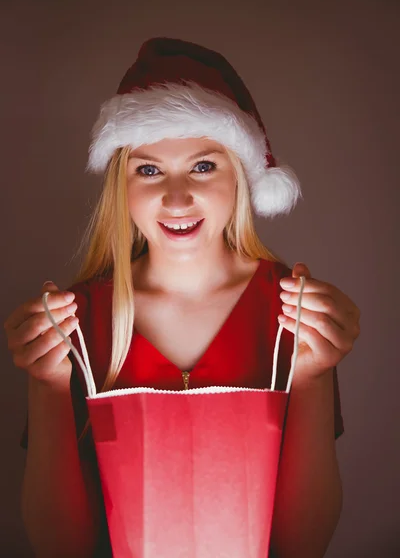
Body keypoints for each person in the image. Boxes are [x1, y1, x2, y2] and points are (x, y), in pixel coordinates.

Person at [5, 37, 353, 558]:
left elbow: (304, 544)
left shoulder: (292, 311)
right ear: (120, 188)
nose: (176, 197)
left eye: (203, 166)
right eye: (148, 170)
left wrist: (315, 376)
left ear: (242, 174)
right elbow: (59, 546)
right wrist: (47, 386)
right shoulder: (76, 321)